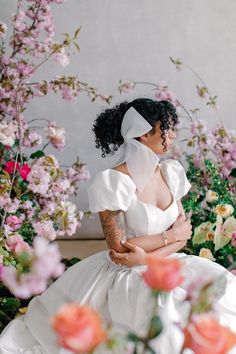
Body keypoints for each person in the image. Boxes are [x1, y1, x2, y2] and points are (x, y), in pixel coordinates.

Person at [0, 98, 236, 354]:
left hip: (164, 261)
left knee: (220, 291)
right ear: (144, 135)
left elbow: (184, 235)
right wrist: (164, 240)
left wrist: (147, 257)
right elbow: (119, 247)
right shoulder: (113, 181)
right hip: (124, 272)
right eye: (165, 129)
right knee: (161, 312)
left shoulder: (171, 172)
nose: (171, 137)